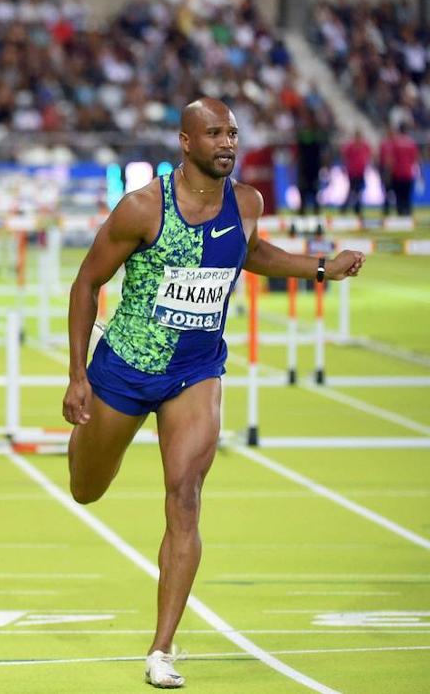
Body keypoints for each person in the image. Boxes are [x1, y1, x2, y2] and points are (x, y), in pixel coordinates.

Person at [62, 98, 364, 689]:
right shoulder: (142, 208)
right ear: (185, 141)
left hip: (197, 369)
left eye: (233, 132)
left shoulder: (246, 202)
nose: (228, 143)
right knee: (85, 488)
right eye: (215, 133)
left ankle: (162, 649)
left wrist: (321, 267)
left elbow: (251, 254)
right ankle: (90, 442)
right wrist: (77, 375)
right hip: (125, 365)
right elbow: (86, 281)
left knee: (186, 495)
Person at [379, 122, 419, 218]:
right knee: (407, 196)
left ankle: (401, 215)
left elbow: (390, 160)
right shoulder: (411, 143)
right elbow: (415, 159)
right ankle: (408, 214)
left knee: (399, 197)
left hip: (397, 174)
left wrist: (388, 173)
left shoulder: (394, 142)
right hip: (408, 173)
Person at [339, 129, 371, 217]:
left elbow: (368, 157)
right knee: (352, 191)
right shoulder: (350, 146)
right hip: (352, 172)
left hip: (361, 172)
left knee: (358, 191)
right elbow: (344, 157)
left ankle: (355, 208)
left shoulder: (365, 145)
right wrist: (344, 167)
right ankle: (347, 208)